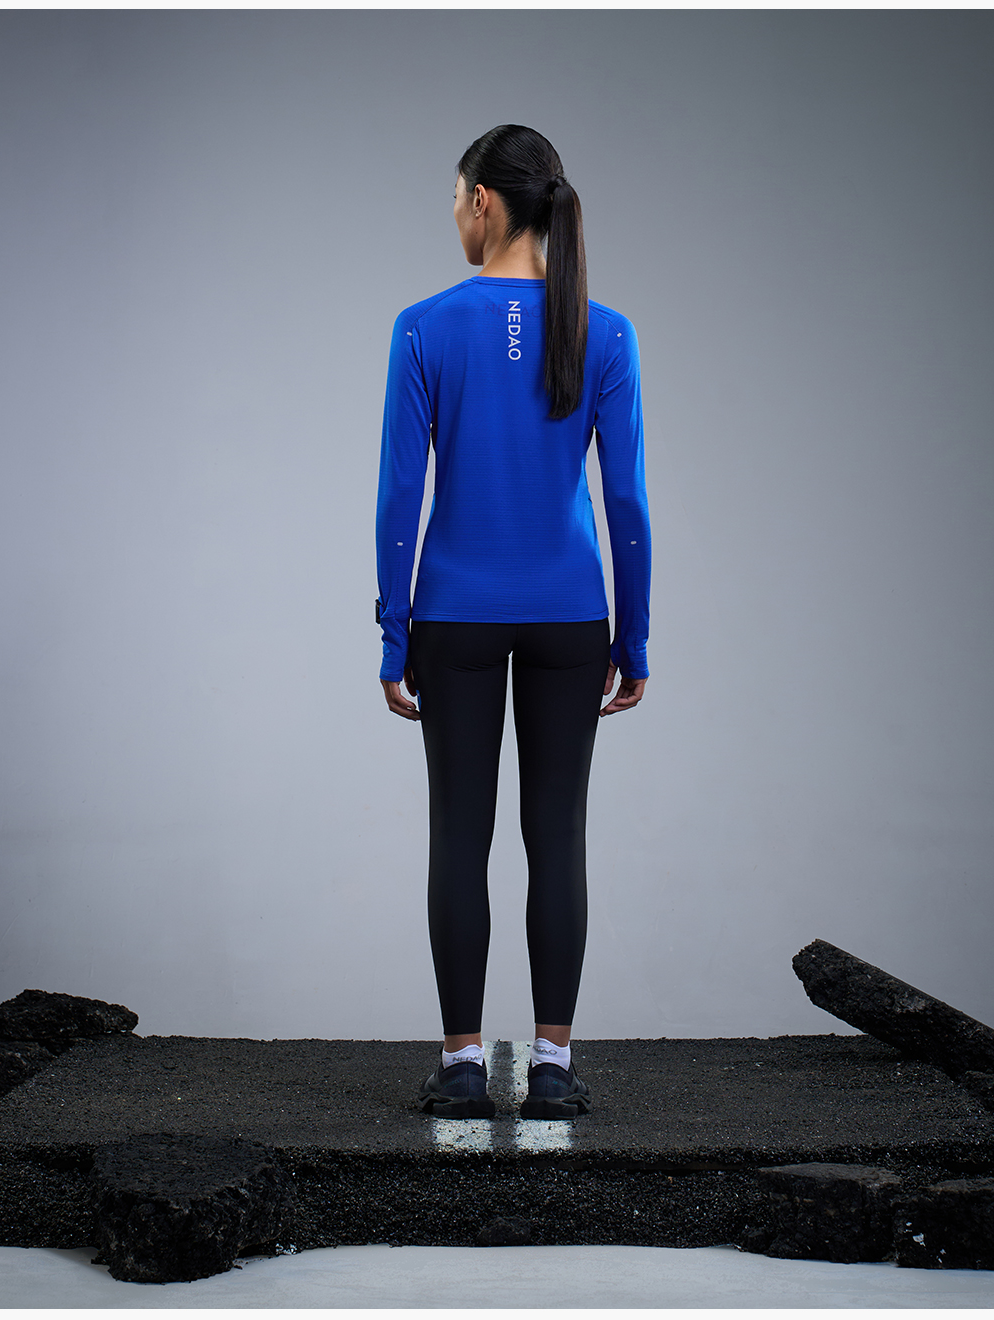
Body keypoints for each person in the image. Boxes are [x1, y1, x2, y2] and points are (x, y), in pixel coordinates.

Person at [375, 124, 650, 1119]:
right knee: (557, 836)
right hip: (571, 614)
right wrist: (634, 636)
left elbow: (399, 495)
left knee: (459, 833)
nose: (454, 214)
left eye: (456, 197)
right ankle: (553, 1068)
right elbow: (626, 502)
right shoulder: (603, 332)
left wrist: (392, 629)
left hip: (452, 613)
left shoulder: (424, 327)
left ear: (485, 202)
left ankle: (460, 1066)